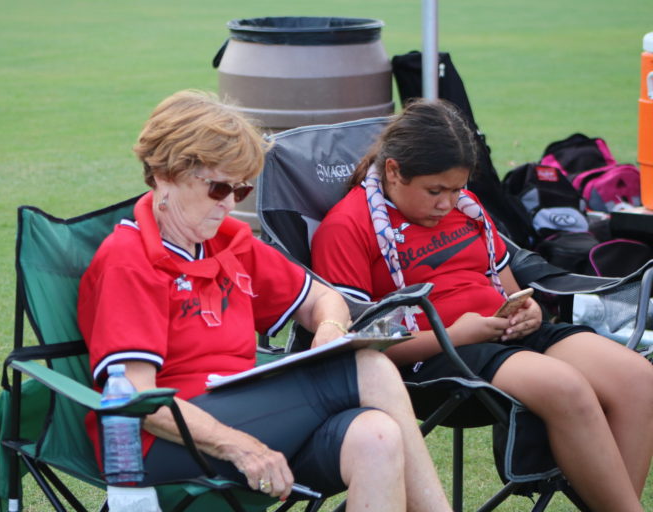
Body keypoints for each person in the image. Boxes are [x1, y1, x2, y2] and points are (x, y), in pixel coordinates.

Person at [77, 90, 452, 511]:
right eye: (218, 188)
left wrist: (329, 329)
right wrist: (240, 446)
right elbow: (138, 401)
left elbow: (323, 298)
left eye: (241, 190)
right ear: (166, 174)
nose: (229, 205)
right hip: (162, 444)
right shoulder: (130, 260)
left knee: (376, 437)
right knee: (370, 367)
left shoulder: (229, 243)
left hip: (245, 414)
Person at [311, 98, 653, 512]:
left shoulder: (466, 208)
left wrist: (528, 312)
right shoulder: (347, 227)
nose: (447, 204)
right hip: (435, 354)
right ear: (394, 171)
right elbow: (360, 344)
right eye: (435, 191)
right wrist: (455, 334)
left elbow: (506, 289)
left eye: (456, 189)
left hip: (503, 333)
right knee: (565, 385)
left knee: (639, 379)